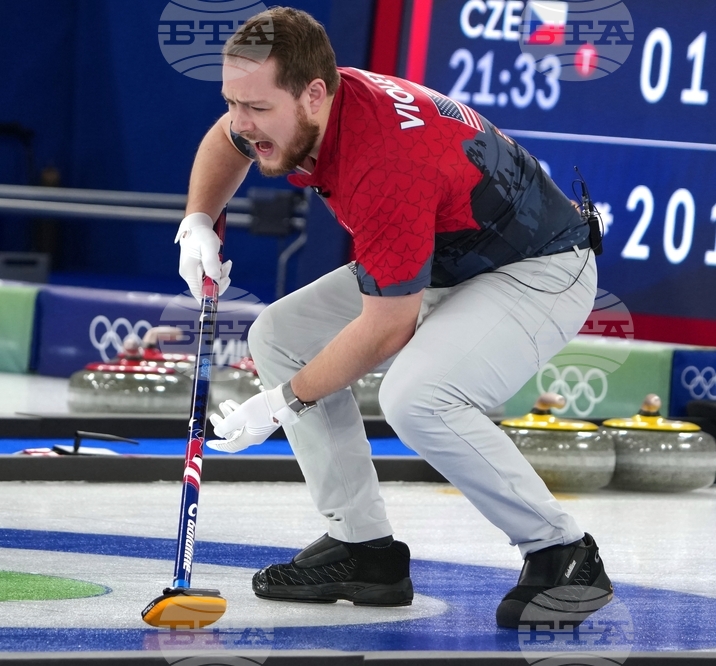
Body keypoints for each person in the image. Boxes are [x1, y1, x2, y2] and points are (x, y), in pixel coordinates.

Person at [173, 7, 614, 629]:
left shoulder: (384, 162)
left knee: (418, 398)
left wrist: (280, 404)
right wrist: (197, 221)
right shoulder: (307, 107)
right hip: (447, 257)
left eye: (258, 108)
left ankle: (563, 552)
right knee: (280, 336)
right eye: (232, 101)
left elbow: (387, 328)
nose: (243, 122)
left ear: (314, 94)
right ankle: (363, 550)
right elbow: (229, 139)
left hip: (538, 269)